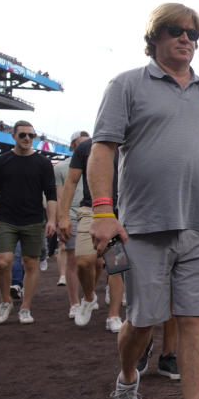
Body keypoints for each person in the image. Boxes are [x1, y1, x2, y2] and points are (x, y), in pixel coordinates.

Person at [88, 2, 199, 399]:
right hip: (141, 227)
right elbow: (103, 149)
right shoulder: (127, 84)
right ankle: (128, 379)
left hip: (197, 225)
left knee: (193, 320)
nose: (186, 39)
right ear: (154, 36)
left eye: (194, 33)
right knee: (142, 321)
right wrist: (102, 211)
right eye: (176, 30)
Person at [0, 121, 57, 325]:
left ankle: (25, 306)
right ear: (13, 136)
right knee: (3, 261)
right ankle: (5, 301)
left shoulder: (43, 163)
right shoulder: (1, 162)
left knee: (31, 263)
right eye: (23, 135)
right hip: (6, 218)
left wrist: (52, 220)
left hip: (33, 220)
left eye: (31, 135)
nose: (27, 138)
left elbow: (51, 194)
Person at [58, 136, 126, 333]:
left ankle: (113, 315)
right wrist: (63, 216)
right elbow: (71, 181)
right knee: (84, 261)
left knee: (116, 266)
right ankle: (89, 297)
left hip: (121, 210)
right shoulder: (87, 146)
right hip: (92, 208)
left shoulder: (133, 144)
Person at [53, 130, 88, 320]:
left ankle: (89, 295)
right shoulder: (60, 168)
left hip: (96, 213)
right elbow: (60, 195)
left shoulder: (98, 162)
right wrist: (62, 217)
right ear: (72, 145)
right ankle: (74, 302)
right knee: (73, 258)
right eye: (80, 142)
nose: (84, 146)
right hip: (73, 214)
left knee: (97, 262)